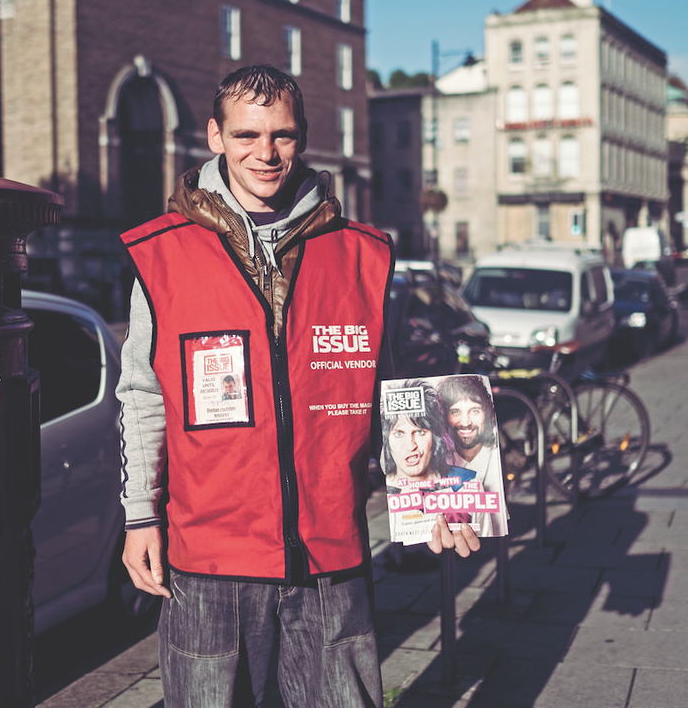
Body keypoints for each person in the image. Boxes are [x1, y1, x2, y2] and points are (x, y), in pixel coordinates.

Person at [117, 65, 479, 708]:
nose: (265, 153)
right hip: (210, 559)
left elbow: (390, 388)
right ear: (214, 136)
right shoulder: (161, 253)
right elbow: (144, 394)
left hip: (330, 552)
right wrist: (141, 516)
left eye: (281, 135)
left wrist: (436, 501)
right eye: (247, 134)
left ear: (303, 137)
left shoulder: (361, 254)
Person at [436, 375, 509, 536]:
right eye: (455, 412)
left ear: (488, 414)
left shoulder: (493, 458)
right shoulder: (438, 461)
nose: (466, 422)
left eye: (474, 411)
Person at [380, 379, 451, 489]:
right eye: (399, 434)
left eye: (419, 432)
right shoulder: (380, 494)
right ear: (386, 440)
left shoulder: (465, 481)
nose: (410, 446)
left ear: (435, 436)